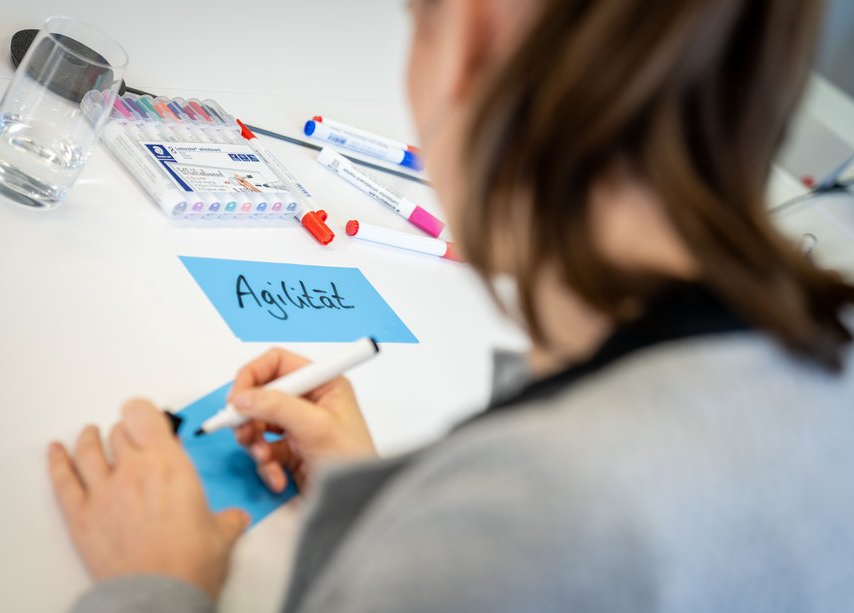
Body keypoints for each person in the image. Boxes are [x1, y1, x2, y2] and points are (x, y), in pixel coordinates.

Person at [48, 0, 854, 611]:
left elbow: (520, 556)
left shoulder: (540, 513)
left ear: (472, 37)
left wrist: (158, 583)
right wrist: (382, 498)